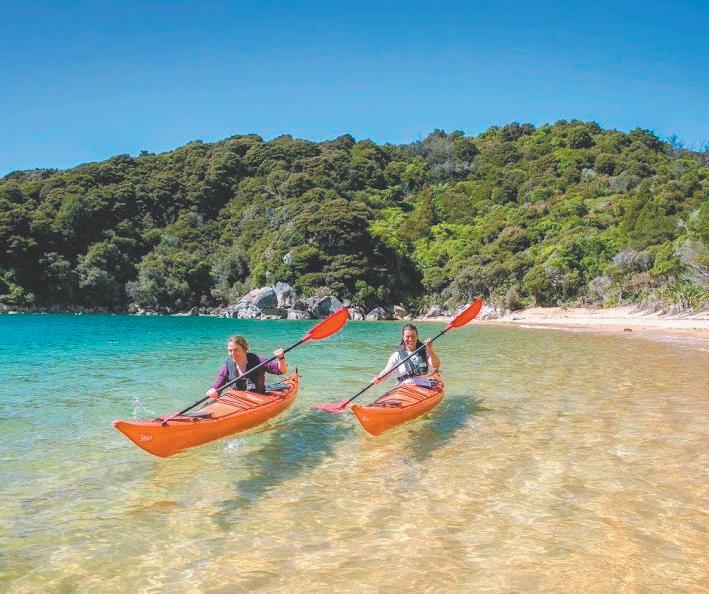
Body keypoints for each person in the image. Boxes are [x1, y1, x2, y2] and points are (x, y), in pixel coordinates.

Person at [205, 335, 288, 398]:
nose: (232, 353)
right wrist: (213, 390)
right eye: (230, 350)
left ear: (245, 349)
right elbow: (218, 383)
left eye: (236, 350)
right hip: (238, 399)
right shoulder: (227, 365)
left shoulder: (259, 361)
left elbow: (282, 370)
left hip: (258, 398)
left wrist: (281, 358)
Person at [371, 323, 441, 386]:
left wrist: (430, 350)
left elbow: (436, 365)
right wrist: (378, 378)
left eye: (413, 336)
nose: (410, 339)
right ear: (403, 337)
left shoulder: (425, 352)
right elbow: (387, 372)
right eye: (408, 336)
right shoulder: (396, 355)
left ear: (417, 336)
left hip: (423, 386)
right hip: (403, 386)